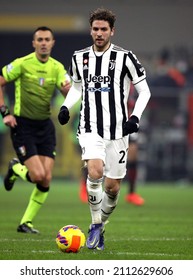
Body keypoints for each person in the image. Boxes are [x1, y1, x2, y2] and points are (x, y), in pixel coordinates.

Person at [58, 8, 151, 250]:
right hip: (90, 127)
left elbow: (144, 91)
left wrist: (135, 117)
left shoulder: (125, 58)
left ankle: (101, 225)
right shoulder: (79, 58)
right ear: (91, 30)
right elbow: (77, 87)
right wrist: (67, 106)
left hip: (119, 130)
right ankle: (96, 224)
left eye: (104, 29)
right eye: (96, 29)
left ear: (112, 31)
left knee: (112, 188)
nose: (99, 33)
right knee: (95, 171)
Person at [0, 26, 71, 234]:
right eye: (39, 39)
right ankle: (15, 168)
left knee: (46, 178)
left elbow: (68, 90)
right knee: (38, 175)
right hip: (22, 126)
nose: (43, 43)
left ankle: (26, 223)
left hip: (45, 127)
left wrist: (73, 95)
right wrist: (5, 112)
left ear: (52, 42)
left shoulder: (57, 68)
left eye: (47, 39)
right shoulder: (22, 63)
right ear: (34, 43)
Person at [125, 85, 144, 206]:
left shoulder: (134, 84)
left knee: (133, 155)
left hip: (128, 123)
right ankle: (86, 187)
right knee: (99, 156)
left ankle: (131, 193)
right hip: (109, 123)